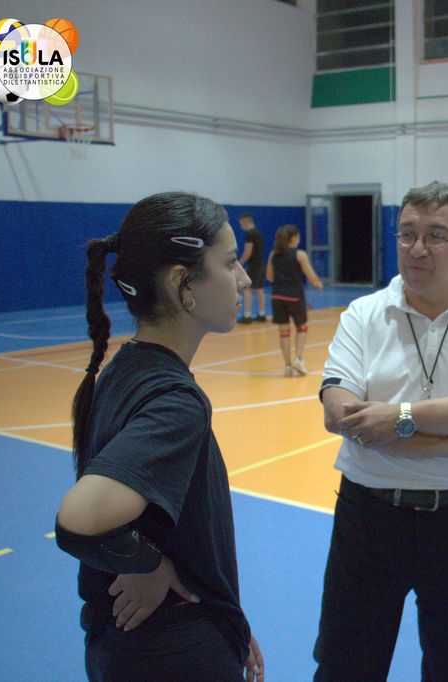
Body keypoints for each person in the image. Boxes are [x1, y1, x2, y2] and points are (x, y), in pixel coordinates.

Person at [314, 180, 448, 681]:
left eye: (436, 235)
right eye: (407, 234)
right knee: (345, 665)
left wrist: (397, 420)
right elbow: (339, 412)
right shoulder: (363, 313)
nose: (417, 248)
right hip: (368, 520)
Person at [54, 192, 264, 681]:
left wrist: (222, 614)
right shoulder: (175, 401)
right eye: (229, 263)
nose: (244, 279)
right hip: (169, 652)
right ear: (182, 283)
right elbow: (80, 518)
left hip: (128, 644)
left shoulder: (125, 368)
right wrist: (148, 566)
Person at [266, 224, 323, 377]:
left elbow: (269, 277)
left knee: (284, 332)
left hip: (277, 296)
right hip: (294, 296)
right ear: (295, 238)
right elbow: (311, 276)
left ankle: (287, 366)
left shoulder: (273, 254)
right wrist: (318, 283)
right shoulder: (300, 255)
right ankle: (298, 358)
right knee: (302, 327)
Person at [238, 212, 267, 323]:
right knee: (259, 289)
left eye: (241, 223)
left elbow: (248, 251)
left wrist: (240, 262)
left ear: (246, 221)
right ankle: (262, 314)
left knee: (247, 289)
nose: (241, 226)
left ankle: (247, 315)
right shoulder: (259, 233)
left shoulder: (249, 234)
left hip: (253, 265)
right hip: (261, 263)